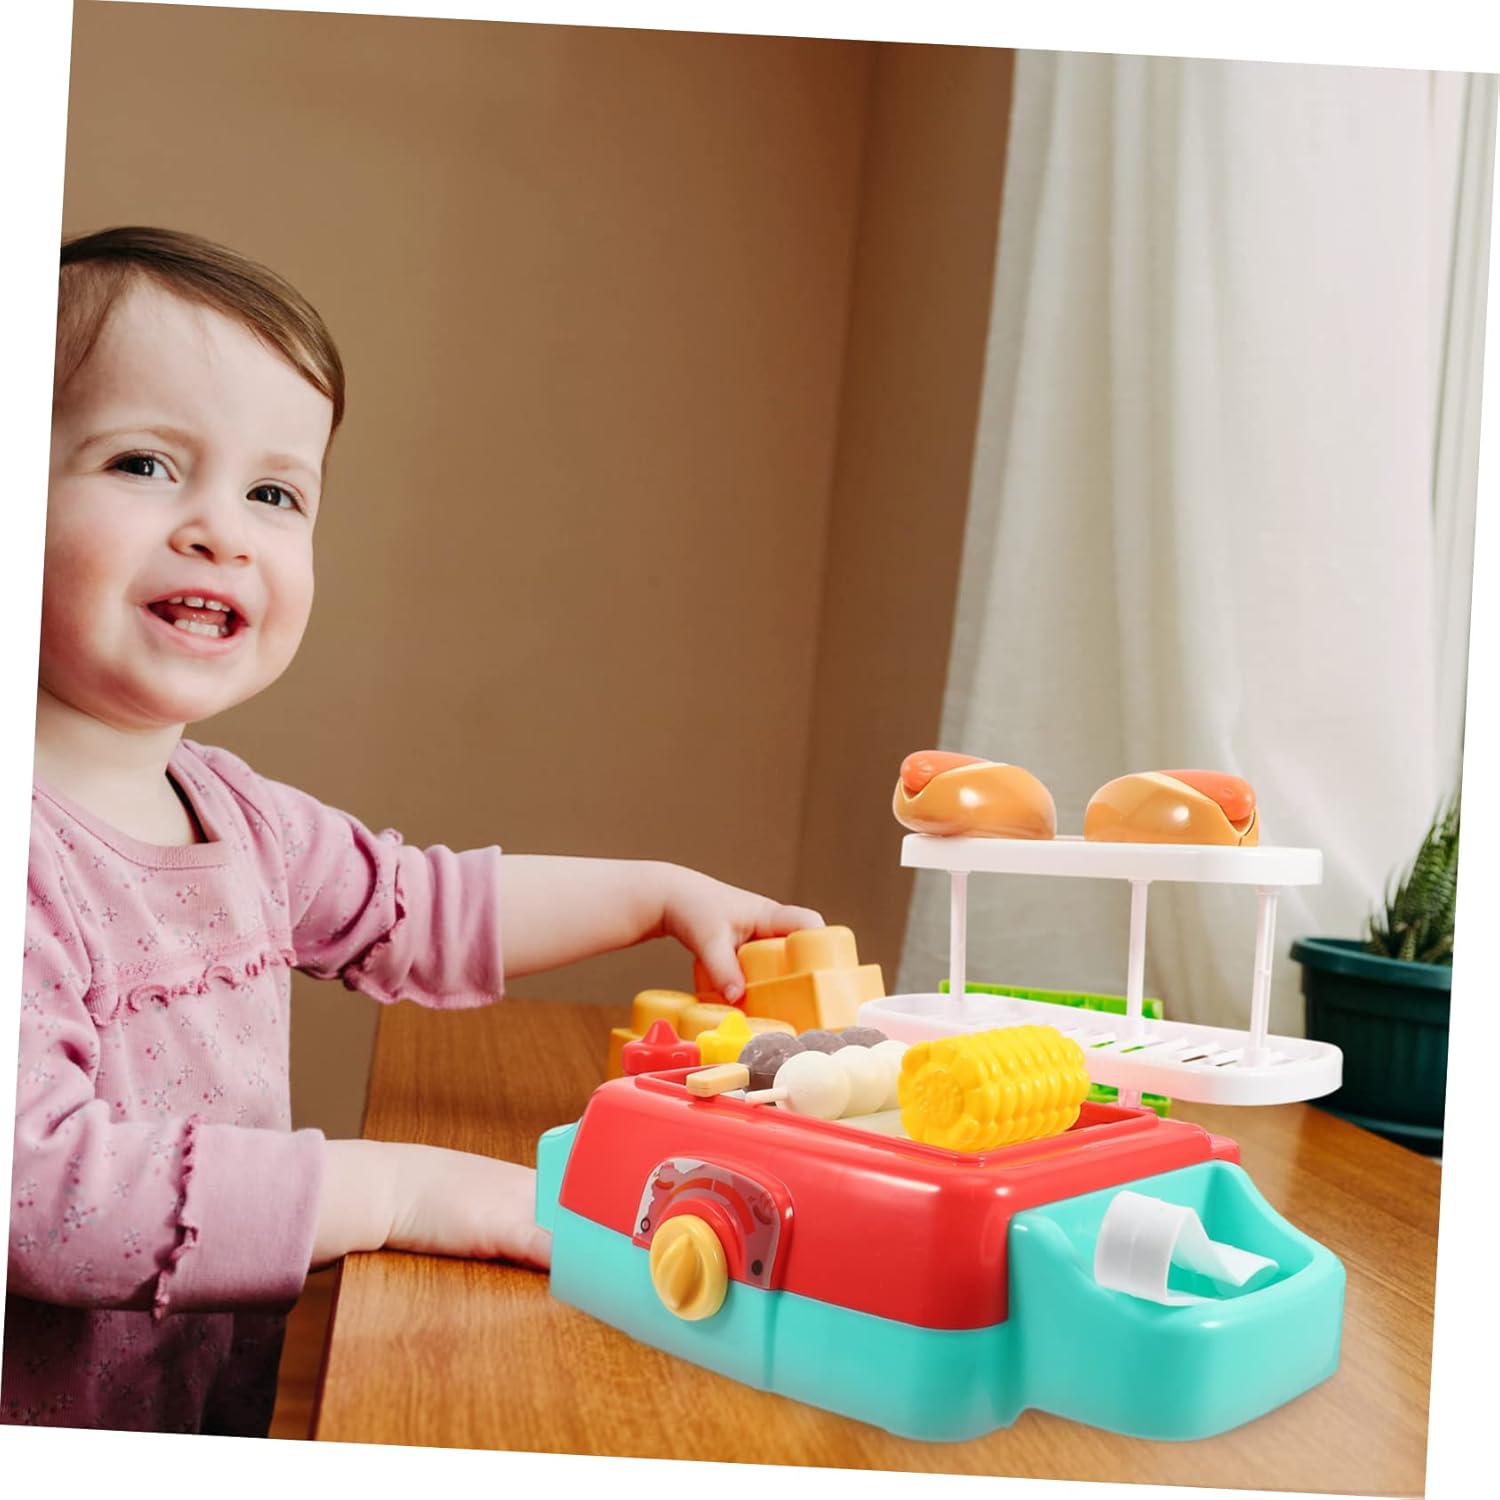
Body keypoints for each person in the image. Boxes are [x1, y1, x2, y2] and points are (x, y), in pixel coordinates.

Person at [4, 226, 823, 1434]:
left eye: (274, 493)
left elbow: (421, 906)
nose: (222, 530)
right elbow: (42, 1195)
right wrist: (395, 1190)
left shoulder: (241, 816)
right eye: (143, 464)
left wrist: (655, 893)